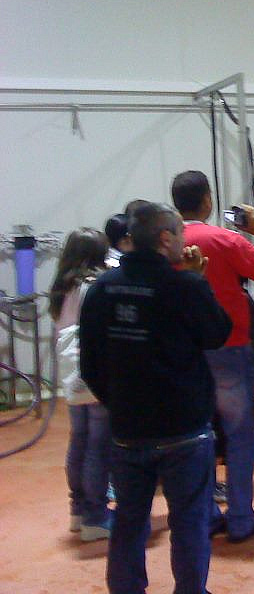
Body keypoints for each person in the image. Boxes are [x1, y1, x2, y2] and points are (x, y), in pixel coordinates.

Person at [79, 203, 231, 594]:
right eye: (180, 234)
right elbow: (217, 334)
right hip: (184, 429)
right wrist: (199, 281)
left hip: (128, 429)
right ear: (165, 238)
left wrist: (118, 404)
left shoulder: (102, 289)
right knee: (189, 521)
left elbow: (90, 365)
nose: (184, 241)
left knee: (129, 521)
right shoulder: (186, 286)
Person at [171, 171, 254, 543]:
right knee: (239, 433)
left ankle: (203, 516)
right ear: (207, 200)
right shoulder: (223, 239)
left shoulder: (166, 245)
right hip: (229, 346)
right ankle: (240, 517)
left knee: (196, 435)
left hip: (185, 352)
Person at [50, 227, 112, 541]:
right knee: (99, 445)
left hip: (72, 375)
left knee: (79, 440)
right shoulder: (94, 286)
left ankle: (78, 509)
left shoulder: (60, 288)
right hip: (95, 370)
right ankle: (95, 516)